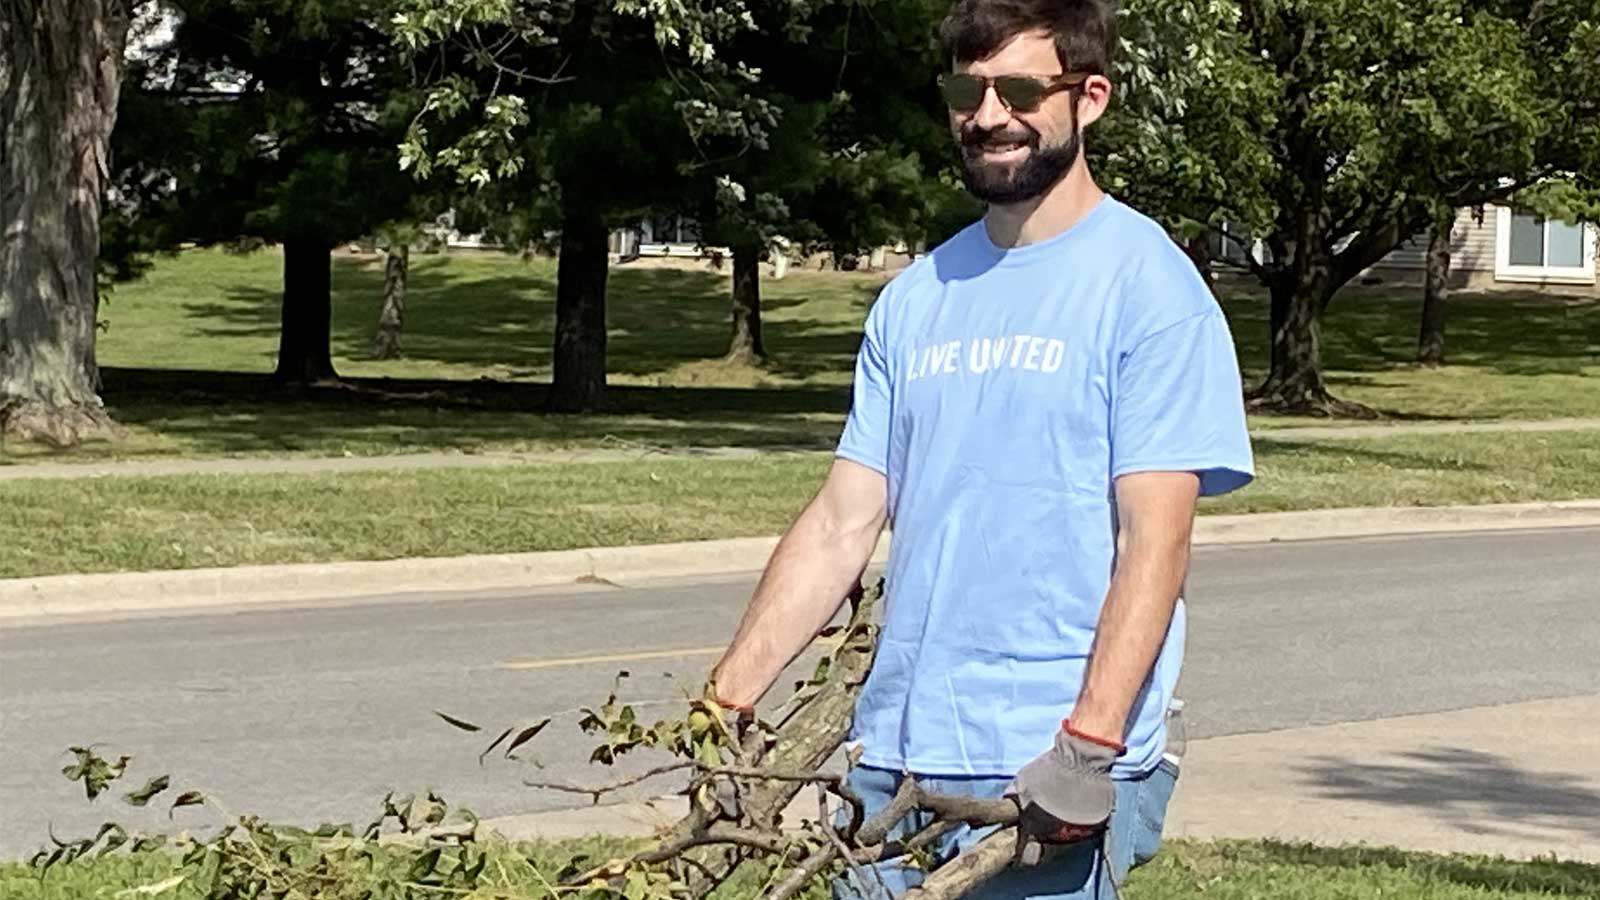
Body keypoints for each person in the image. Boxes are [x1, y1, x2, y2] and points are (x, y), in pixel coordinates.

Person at [708, 1, 1254, 897]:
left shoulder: (1149, 289)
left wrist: (1089, 746)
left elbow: (1153, 543)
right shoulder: (917, 297)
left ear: (1091, 97)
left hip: (1043, 774)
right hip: (895, 756)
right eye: (968, 88)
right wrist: (727, 696)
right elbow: (845, 521)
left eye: (1023, 87)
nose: (990, 113)